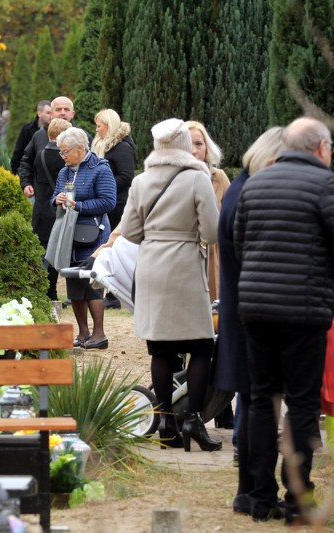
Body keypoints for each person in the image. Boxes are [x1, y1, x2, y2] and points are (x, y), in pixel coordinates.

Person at [234, 117, 334, 524]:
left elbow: (239, 242)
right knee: (302, 403)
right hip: (303, 310)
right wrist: (325, 267)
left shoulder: (256, 183)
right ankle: (297, 499)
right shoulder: (325, 185)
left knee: (262, 401)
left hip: (256, 308)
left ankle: (259, 497)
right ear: (321, 148)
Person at [119, 118, 220, 452]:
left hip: (151, 268)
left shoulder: (141, 181)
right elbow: (212, 232)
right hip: (186, 266)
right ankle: (191, 418)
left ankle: (164, 421)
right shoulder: (197, 178)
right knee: (201, 345)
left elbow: (131, 232)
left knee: (160, 348)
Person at [214, 127, 285, 517]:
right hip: (249, 308)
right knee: (256, 399)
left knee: (252, 397)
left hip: (241, 304)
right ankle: (253, 488)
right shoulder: (248, 193)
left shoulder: (241, 187)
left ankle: (249, 487)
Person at [51, 127, 115, 349]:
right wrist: (56, 200)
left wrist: (78, 205)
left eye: (65, 151)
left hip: (94, 233)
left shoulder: (100, 169)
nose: (63, 156)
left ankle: (99, 335)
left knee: (92, 282)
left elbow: (108, 202)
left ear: (80, 149)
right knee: (73, 282)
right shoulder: (64, 171)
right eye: (61, 152)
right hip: (69, 235)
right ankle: (83, 333)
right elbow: (55, 197)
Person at [185, 121, 230, 304]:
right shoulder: (167, 179)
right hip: (182, 255)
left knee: (212, 313)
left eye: (199, 144)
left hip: (212, 255)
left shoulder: (218, 177)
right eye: (188, 144)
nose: (194, 151)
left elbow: (232, 216)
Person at [19, 96, 90, 201]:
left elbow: (91, 166)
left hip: (74, 203)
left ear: (72, 114)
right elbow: (26, 162)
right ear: (51, 114)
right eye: (58, 109)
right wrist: (26, 183)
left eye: (66, 109)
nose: (62, 113)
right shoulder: (39, 136)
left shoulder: (83, 137)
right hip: (44, 201)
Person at [32, 118, 71, 300]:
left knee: (43, 252)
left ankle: (44, 292)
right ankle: (54, 293)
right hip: (59, 207)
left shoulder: (40, 155)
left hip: (41, 209)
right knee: (57, 252)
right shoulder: (66, 158)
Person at [92, 109, 136, 231]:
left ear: (108, 126)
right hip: (106, 203)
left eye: (98, 126)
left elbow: (126, 177)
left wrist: (102, 187)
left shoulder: (122, 147)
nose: (96, 130)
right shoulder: (104, 145)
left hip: (117, 206)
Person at [11, 100, 52, 175]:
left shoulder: (54, 130)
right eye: (48, 113)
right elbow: (18, 152)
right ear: (39, 113)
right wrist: (14, 173)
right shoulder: (27, 129)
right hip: (30, 173)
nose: (51, 116)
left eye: (52, 113)